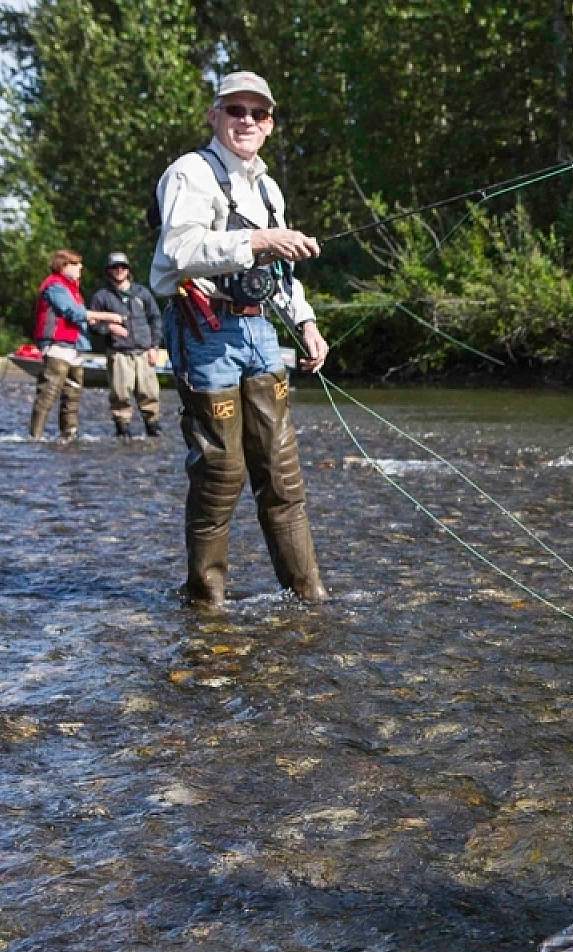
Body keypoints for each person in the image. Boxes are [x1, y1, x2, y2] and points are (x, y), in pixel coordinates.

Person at [150, 70, 328, 605]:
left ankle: (307, 595)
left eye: (258, 113)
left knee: (281, 472)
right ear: (214, 116)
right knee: (221, 471)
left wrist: (307, 324)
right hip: (202, 327)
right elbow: (178, 251)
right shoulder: (189, 173)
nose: (246, 120)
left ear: (270, 125)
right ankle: (207, 601)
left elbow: (281, 275)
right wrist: (259, 239)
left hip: (261, 329)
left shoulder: (268, 187)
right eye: (235, 110)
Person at [29, 249, 124, 441]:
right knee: (48, 393)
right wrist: (108, 316)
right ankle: (35, 436)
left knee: (72, 395)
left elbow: (82, 317)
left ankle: (69, 435)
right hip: (57, 347)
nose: (81, 267)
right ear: (64, 266)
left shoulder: (71, 288)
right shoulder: (55, 286)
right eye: (76, 264)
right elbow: (73, 312)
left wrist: (103, 323)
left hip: (74, 348)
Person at [89, 251, 165, 438]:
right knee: (120, 395)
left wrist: (154, 346)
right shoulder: (101, 296)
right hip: (119, 353)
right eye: (115, 267)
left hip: (144, 352)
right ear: (109, 271)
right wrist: (109, 328)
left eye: (122, 267)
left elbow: (156, 319)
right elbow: (92, 325)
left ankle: (153, 426)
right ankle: (122, 428)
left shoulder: (142, 293)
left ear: (128, 270)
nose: (119, 270)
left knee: (150, 393)